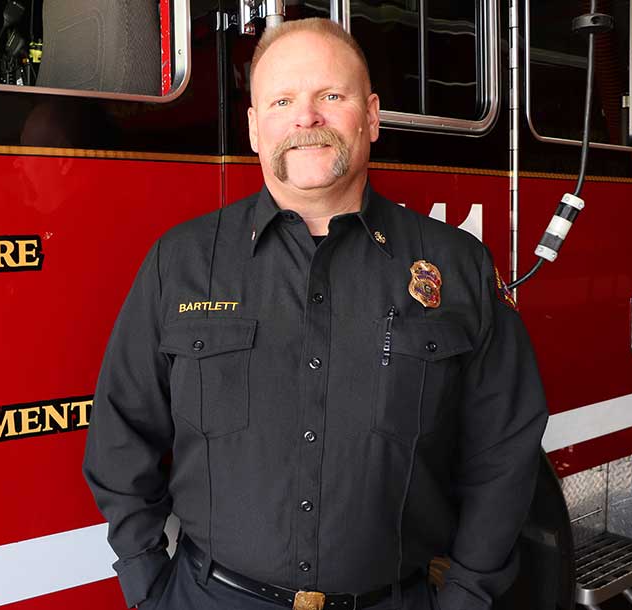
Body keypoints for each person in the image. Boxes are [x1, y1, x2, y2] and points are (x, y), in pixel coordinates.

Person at [83, 17, 548, 610]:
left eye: (331, 96)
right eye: (282, 101)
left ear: (372, 116)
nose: (306, 118)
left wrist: (467, 595)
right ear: (255, 128)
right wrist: (147, 582)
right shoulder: (180, 263)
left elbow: (503, 452)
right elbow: (121, 434)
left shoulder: (457, 267)